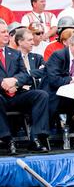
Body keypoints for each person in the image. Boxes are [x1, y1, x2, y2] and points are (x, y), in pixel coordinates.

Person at [0, 22, 49, 154]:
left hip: (16, 94)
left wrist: (15, 81)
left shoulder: (15, 54)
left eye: (7, 32)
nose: (7, 35)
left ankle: (36, 138)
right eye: (3, 32)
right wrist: (3, 83)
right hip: (1, 96)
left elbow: (25, 75)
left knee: (41, 95)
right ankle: (8, 140)